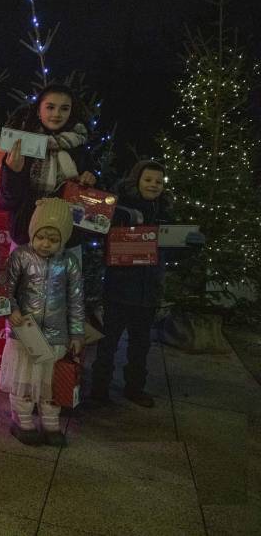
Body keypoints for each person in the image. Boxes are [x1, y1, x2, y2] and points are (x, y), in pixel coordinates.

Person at [90, 160, 204, 407]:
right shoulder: (119, 207)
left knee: (140, 345)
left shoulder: (165, 213)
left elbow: (170, 252)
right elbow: (99, 232)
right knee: (108, 344)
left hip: (148, 291)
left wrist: (189, 246)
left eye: (158, 182)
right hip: (119, 289)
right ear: (136, 180)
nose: (153, 185)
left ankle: (134, 388)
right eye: (148, 180)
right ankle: (99, 391)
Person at [0, 198, 84, 447]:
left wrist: (77, 334)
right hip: (25, 335)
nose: (46, 243)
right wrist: (11, 310)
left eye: (53, 239)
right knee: (24, 381)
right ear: (32, 233)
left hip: (57, 337)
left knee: (51, 385)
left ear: (64, 239)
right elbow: (6, 288)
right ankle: (22, 420)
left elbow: (76, 300)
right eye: (41, 236)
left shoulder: (69, 263)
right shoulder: (20, 257)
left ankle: (50, 422)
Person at [0, 84, 97, 247]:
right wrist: (13, 173)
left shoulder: (79, 150)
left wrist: (90, 181)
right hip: (28, 238)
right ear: (38, 110)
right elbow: (6, 201)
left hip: (66, 241)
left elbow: (90, 203)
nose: (57, 114)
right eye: (50, 107)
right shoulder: (22, 145)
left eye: (64, 109)